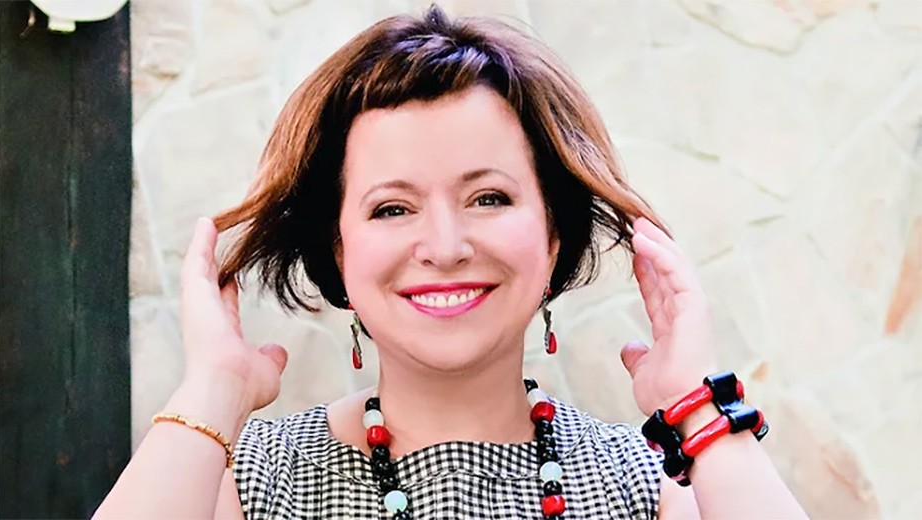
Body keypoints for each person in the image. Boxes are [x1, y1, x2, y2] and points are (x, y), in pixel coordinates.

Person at [95, 5, 807, 519]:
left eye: (488, 198)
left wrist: (696, 406)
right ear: (339, 252)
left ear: (553, 235)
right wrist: (215, 387)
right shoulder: (252, 483)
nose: (443, 246)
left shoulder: (646, 488)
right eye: (391, 208)